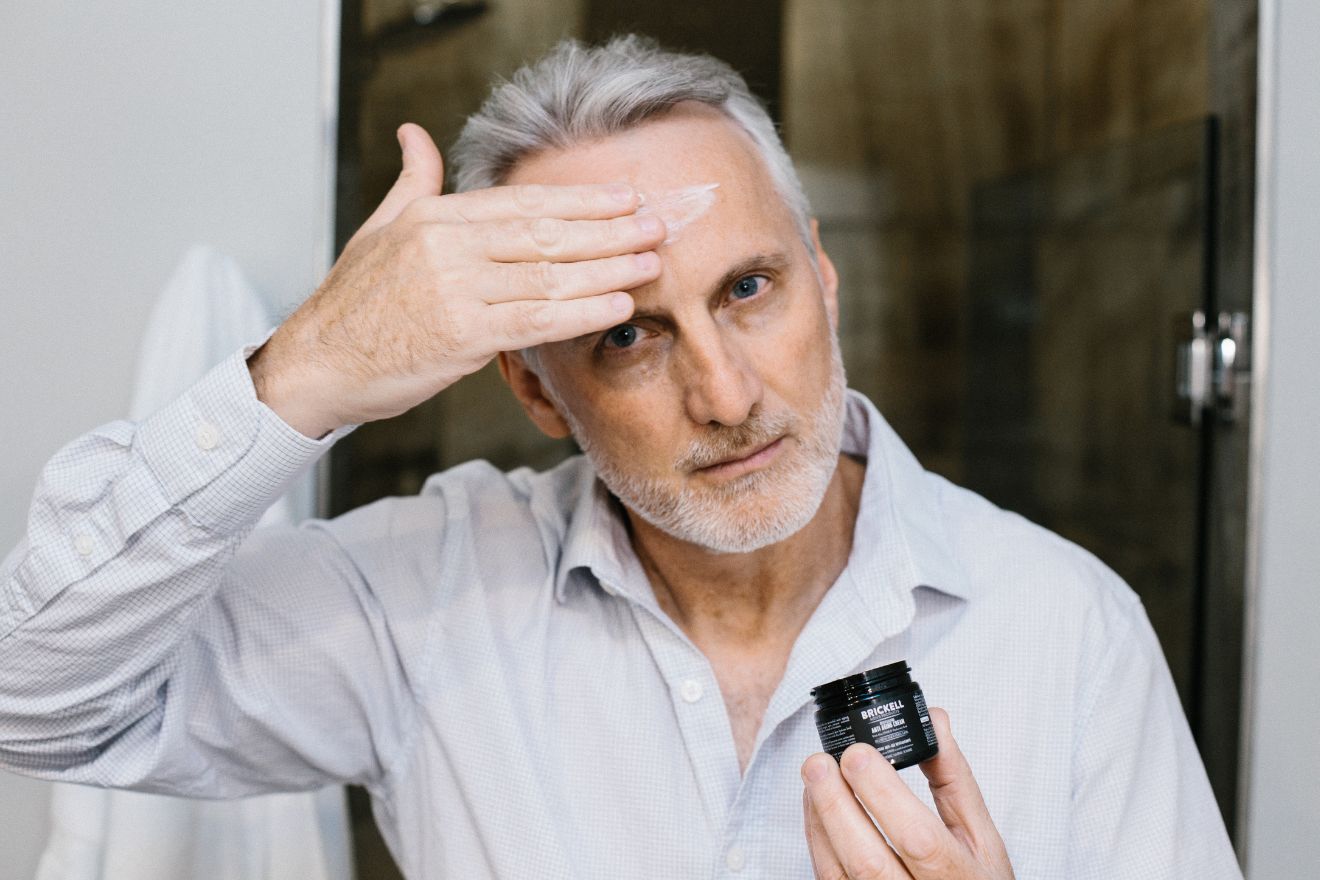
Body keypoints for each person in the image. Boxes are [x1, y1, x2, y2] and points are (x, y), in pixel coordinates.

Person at [0, 35, 1240, 879]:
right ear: (536, 390)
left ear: (824, 273)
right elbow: (35, 697)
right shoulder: (425, 598)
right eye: (627, 335)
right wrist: (307, 367)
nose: (726, 391)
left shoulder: (1066, 629)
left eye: (749, 288)